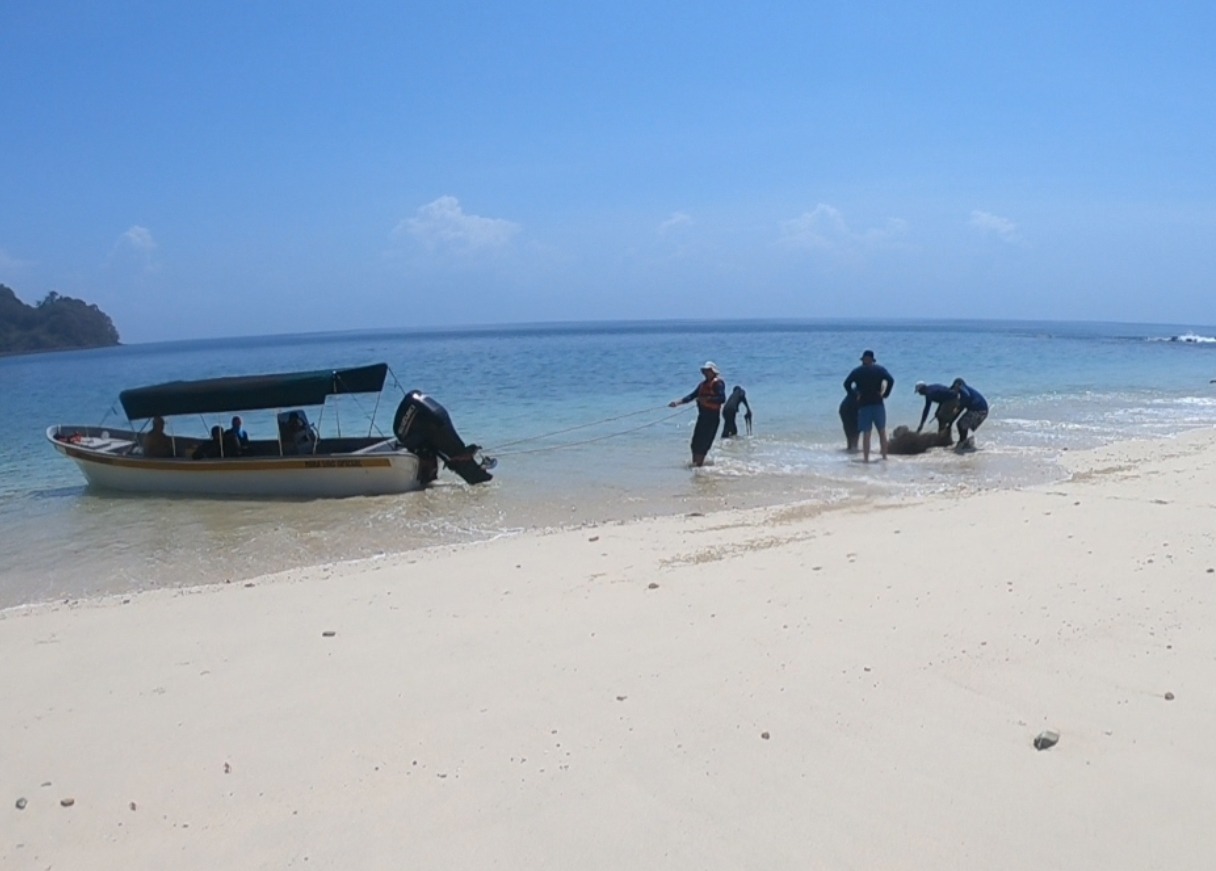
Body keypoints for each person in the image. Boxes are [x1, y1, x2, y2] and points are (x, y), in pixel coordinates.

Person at [669, 361, 726, 466]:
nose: (705, 373)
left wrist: (707, 400)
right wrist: (677, 403)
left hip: (712, 418)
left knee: (704, 443)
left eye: (708, 371)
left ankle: (699, 465)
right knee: (695, 443)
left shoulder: (718, 383)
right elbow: (692, 396)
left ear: (713, 372)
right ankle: (697, 464)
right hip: (702, 417)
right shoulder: (702, 385)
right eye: (704, 371)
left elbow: (722, 398)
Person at [843, 349, 894, 462]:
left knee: (867, 433)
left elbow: (846, 384)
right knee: (881, 431)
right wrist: (885, 394)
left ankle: (866, 459)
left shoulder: (858, 371)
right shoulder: (879, 370)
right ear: (872, 360)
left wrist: (855, 394)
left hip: (864, 405)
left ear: (864, 359)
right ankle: (884, 457)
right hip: (877, 403)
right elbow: (890, 380)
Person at [950, 378, 989, 449]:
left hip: (979, 411)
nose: (955, 390)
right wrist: (951, 421)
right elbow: (960, 410)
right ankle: (964, 442)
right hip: (982, 411)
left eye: (955, 388)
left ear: (958, 385)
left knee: (961, 424)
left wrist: (958, 407)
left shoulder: (963, 389)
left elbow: (966, 396)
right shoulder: (965, 392)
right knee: (961, 424)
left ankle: (962, 442)